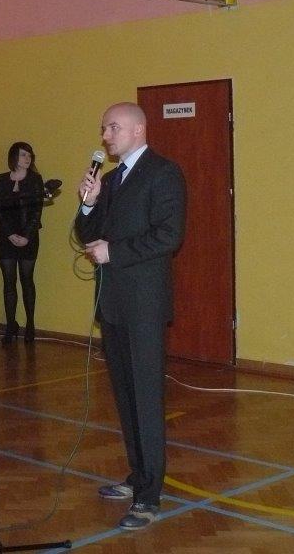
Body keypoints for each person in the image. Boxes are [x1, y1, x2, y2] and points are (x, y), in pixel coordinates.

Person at [75, 101, 186, 531]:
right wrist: (88, 205)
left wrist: (114, 251)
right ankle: (138, 476)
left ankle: (149, 497)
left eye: (112, 128)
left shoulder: (163, 173)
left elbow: (169, 235)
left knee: (146, 398)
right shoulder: (111, 179)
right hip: (113, 303)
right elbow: (87, 235)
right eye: (104, 129)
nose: (105, 136)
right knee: (124, 396)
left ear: (138, 130)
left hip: (144, 305)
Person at [0, 142, 44, 344]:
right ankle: (10, 325)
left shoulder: (35, 180)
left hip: (28, 238)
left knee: (27, 280)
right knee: (8, 282)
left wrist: (26, 235)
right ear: (14, 157)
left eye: (29, 155)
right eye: (23, 155)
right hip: (6, 238)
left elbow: (37, 211)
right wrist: (9, 234)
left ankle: (30, 324)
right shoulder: (0, 180)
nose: (27, 158)